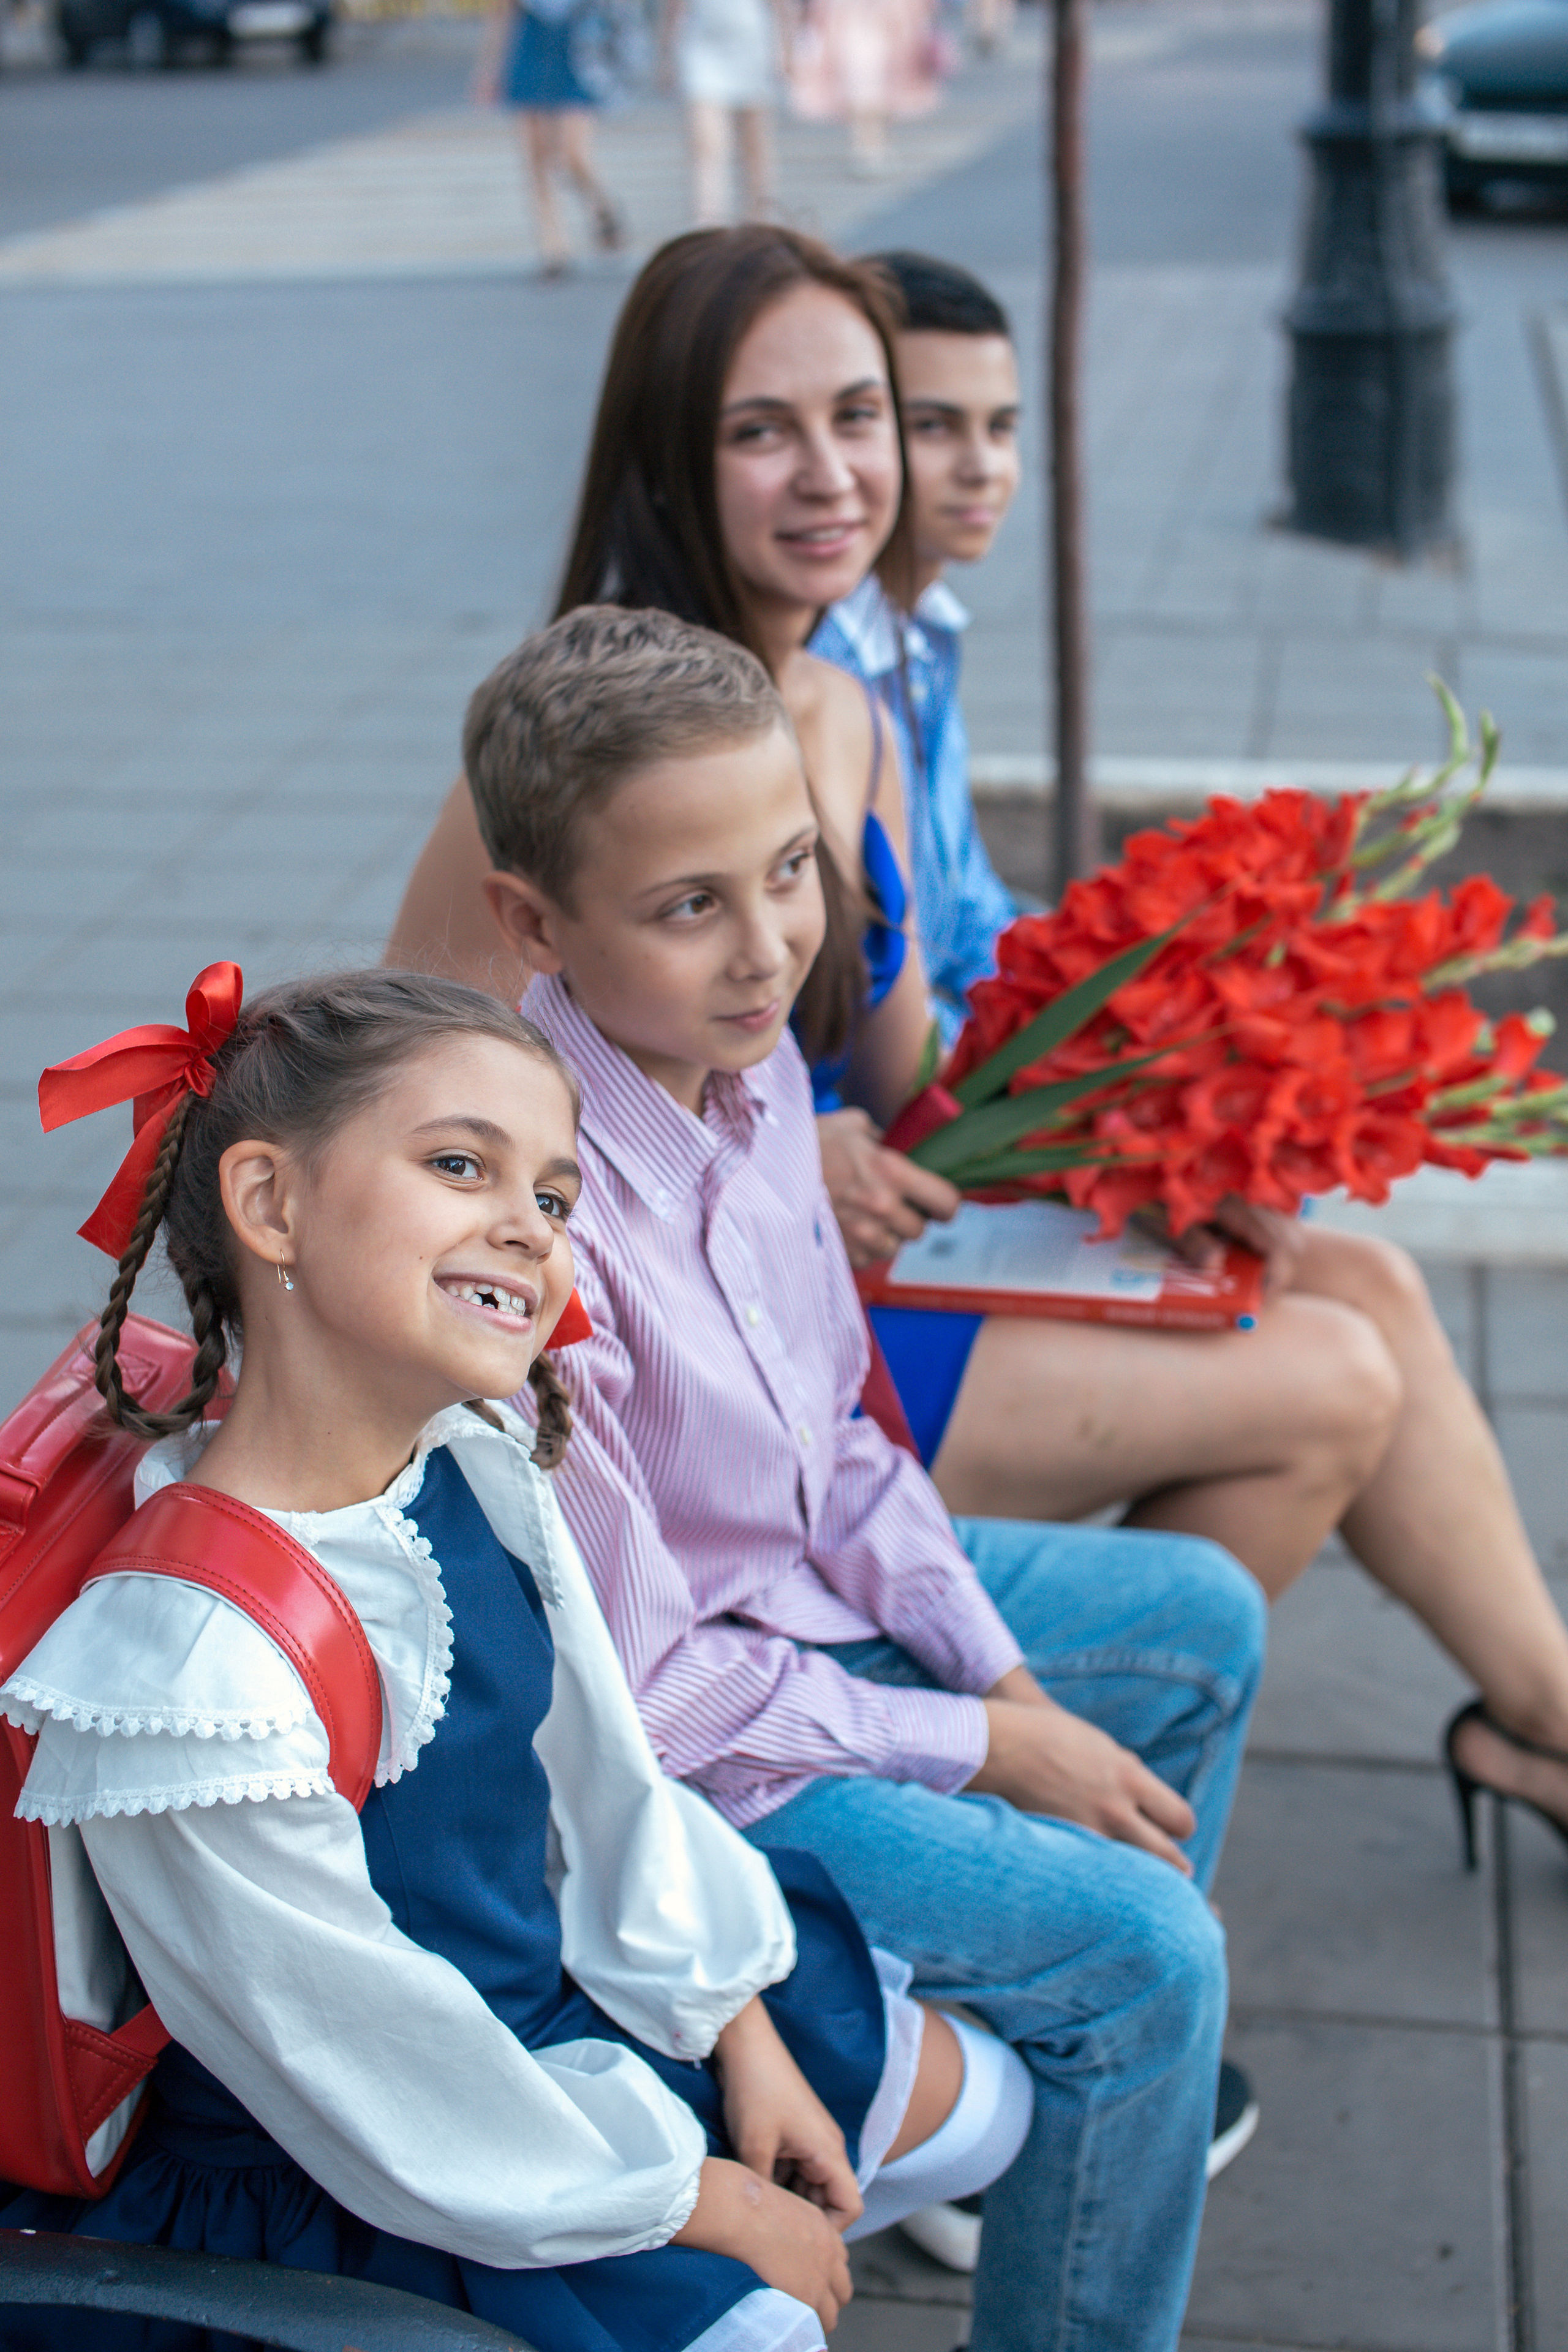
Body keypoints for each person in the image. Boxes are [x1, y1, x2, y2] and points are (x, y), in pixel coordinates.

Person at [0, 967, 1033, 2352]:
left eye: (552, 1195)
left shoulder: (470, 1459)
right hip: (367, 2147)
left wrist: (737, 2024)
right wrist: (689, 2197)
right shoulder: (193, 1669)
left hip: (528, 1997)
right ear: (270, 1204)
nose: (531, 1229)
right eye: (457, 1164)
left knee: (986, 2110)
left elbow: (601, 1779)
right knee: (761, 2322)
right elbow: (358, 2056)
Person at [461, 602, 1269, 2352]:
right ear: (535, 922)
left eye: (793, 873)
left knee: (1198, 1622)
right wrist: (984, 1745)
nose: (771, 953)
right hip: (679, 1756)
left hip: (793, 1608)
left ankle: (1016, 2116)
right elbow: (649, 1703)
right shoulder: (535, 1221)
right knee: (1151, 1956)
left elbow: (841, 1443)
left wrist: (1000, 1676)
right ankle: (1073, 2052)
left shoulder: (750, 1092)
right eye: (692, 906)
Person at [809, 246, 1568, 1850]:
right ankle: (1068, 1854)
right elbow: (873, 1039)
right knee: (1332, 1382)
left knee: (1365, 1288)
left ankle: (1551, 1729)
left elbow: (975, 957)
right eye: (920, 424)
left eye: (999, 427)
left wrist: (1150, 1074)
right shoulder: (812, 691)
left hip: (921, 1208)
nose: (970, 469)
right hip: (828, 1284)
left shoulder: (904, 644)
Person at [474, 0, 626, 279]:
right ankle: (553, 248)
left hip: (578, 46)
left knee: (573, 154)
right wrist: (489, 68)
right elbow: (501, 11)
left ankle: (603, 205)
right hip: (530, 43)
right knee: (536, 155)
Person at [660, 0, 785, 225]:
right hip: (701, 44)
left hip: (753, 42)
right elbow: (674, 6)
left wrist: (786, 47)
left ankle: (761, 220)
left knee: (754, 144)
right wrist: (666, 53)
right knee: (705, 145)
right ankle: (707, 223)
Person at [788, 0, 945, 177]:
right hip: (851, 17)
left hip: (884, 16)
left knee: (882, 82)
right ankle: (867, 145)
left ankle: (872, 143)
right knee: (862, 79)